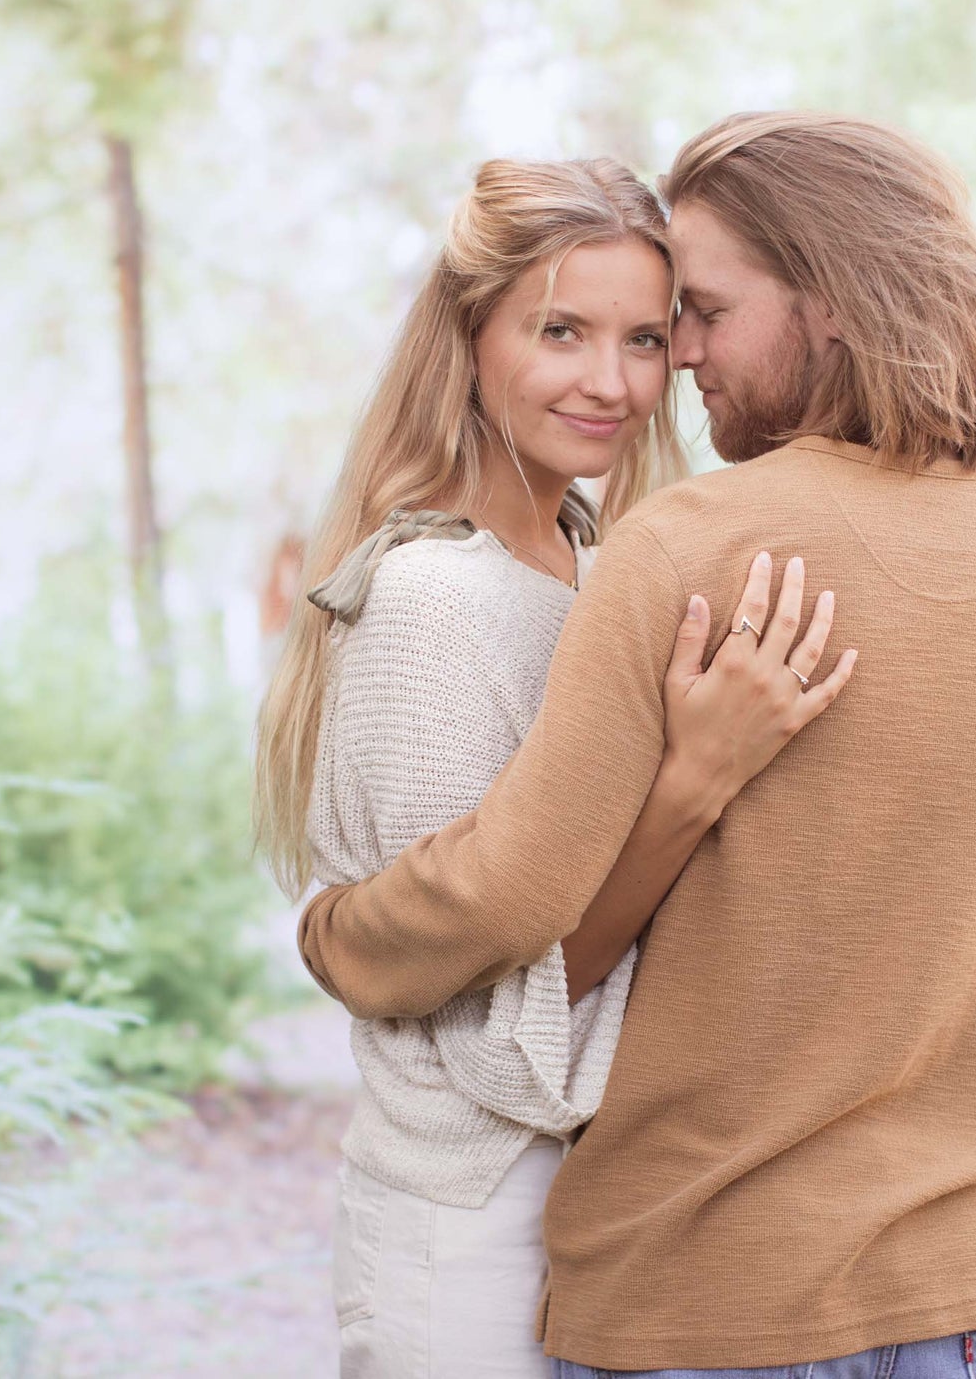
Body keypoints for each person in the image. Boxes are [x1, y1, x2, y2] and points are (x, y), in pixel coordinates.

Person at [298, 113, 976, 1379]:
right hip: (972, 1312)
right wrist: (962, 1155)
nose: (675, 359)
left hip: (701, 1302)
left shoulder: (692, 546)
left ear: (828, 306)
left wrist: (332, 931)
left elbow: (509, 884)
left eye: (701, 313)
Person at [254, 156, 855, 1378]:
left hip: (595, 1210)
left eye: (645, 338)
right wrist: (694, 781)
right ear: (469, 336)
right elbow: (499, 1027)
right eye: (560, 330)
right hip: (463, 1223)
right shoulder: (431, 594)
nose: (611, 381)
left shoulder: (588, 563)